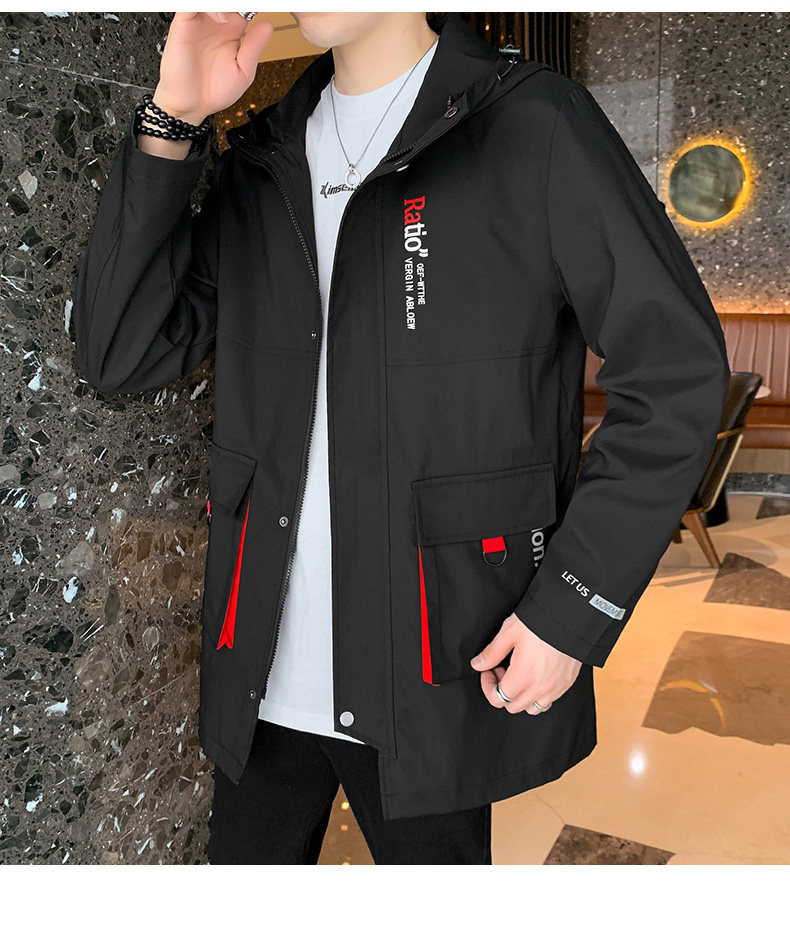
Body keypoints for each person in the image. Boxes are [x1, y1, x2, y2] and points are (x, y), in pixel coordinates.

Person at [71, 12, 731, 864]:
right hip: (259, 666)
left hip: (440, 662)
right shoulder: (263, 156)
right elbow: (119, 352)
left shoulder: (532, 123)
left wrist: (572, 608)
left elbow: (675, 371)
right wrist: (174, 119)